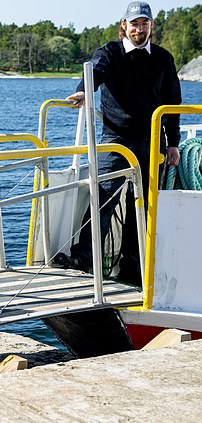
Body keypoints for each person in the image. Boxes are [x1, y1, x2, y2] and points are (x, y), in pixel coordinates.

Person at [53, 2, 181, 285]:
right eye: (134, 23)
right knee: (104, 196)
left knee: (146, 206)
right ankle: (83, 258)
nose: (139, 28)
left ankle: (133, 267)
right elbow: (96, 72)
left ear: (151, 26)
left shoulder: (163, 59)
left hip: (152, 142)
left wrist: (173, 143)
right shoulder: (110, 53)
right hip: (116, 140)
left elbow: (173, 103)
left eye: (144, 23)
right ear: (124, 25)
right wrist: (83, 92)